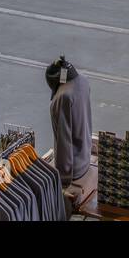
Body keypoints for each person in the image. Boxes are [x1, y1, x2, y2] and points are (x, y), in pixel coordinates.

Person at [45, 55, 92, 185]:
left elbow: (63, 141)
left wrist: (63, 178)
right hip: (85, 157)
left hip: (73, 169)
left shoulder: (63, 97)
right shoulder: (83, 81)